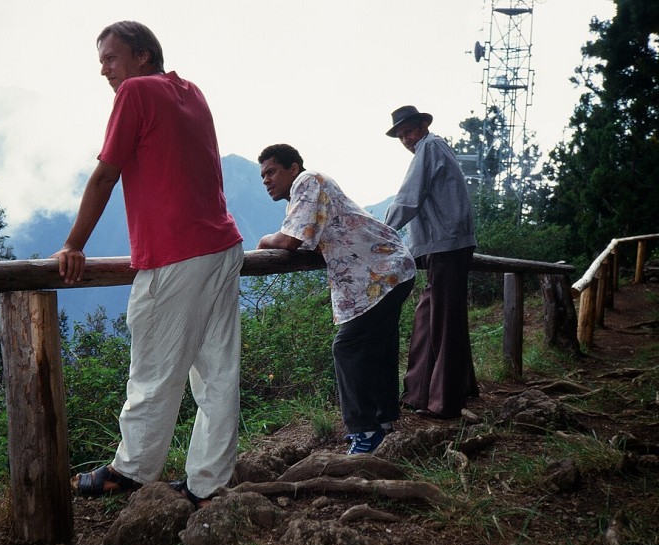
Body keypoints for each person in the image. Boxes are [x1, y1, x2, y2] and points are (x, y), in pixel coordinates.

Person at [52, 21, 244, 507]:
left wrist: (73, 244)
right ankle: (209, 483)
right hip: (221, 244)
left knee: (154, 368)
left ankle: (131, 470)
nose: (103, 71)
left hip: (176, 252)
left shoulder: (136, 92)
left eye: (109, 58)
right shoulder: (190, 90)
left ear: (141, 56)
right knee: (217, 371)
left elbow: (105, 175)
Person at [256, 144, 416, 454]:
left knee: (348, 347)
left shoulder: (308, 181)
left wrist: (264, 241)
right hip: (389, 270)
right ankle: (382, 422)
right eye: (262, 175)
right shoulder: (306, 194)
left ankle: (365, 432)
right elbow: (309, 240)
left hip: (380, 274)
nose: (266, 180)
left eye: (272, 171)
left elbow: (290, 240)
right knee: (377, 346)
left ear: (293, 167)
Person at [384, 105, 478, 419]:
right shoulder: (433, 148)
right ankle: (418, 394)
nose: (407, 139)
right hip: (441, 248)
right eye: (401, 135)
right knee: (428, 319)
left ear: (423, 125)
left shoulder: (430, 147)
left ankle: (445, 404)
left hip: (448, 247)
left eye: (409, 131)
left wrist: (380, 232)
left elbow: (409, 198)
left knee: (445, 323)